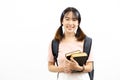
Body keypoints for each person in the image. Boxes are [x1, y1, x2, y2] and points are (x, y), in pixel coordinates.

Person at [48, 7, 94, 80]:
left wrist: (79, 68)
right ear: (62, 21)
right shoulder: (54, 43)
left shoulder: (87, 41)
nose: (70, 23)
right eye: (67, 19)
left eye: (74, 20)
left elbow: (90, 67)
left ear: (78, 23)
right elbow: (50, 66)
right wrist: (63, 68)